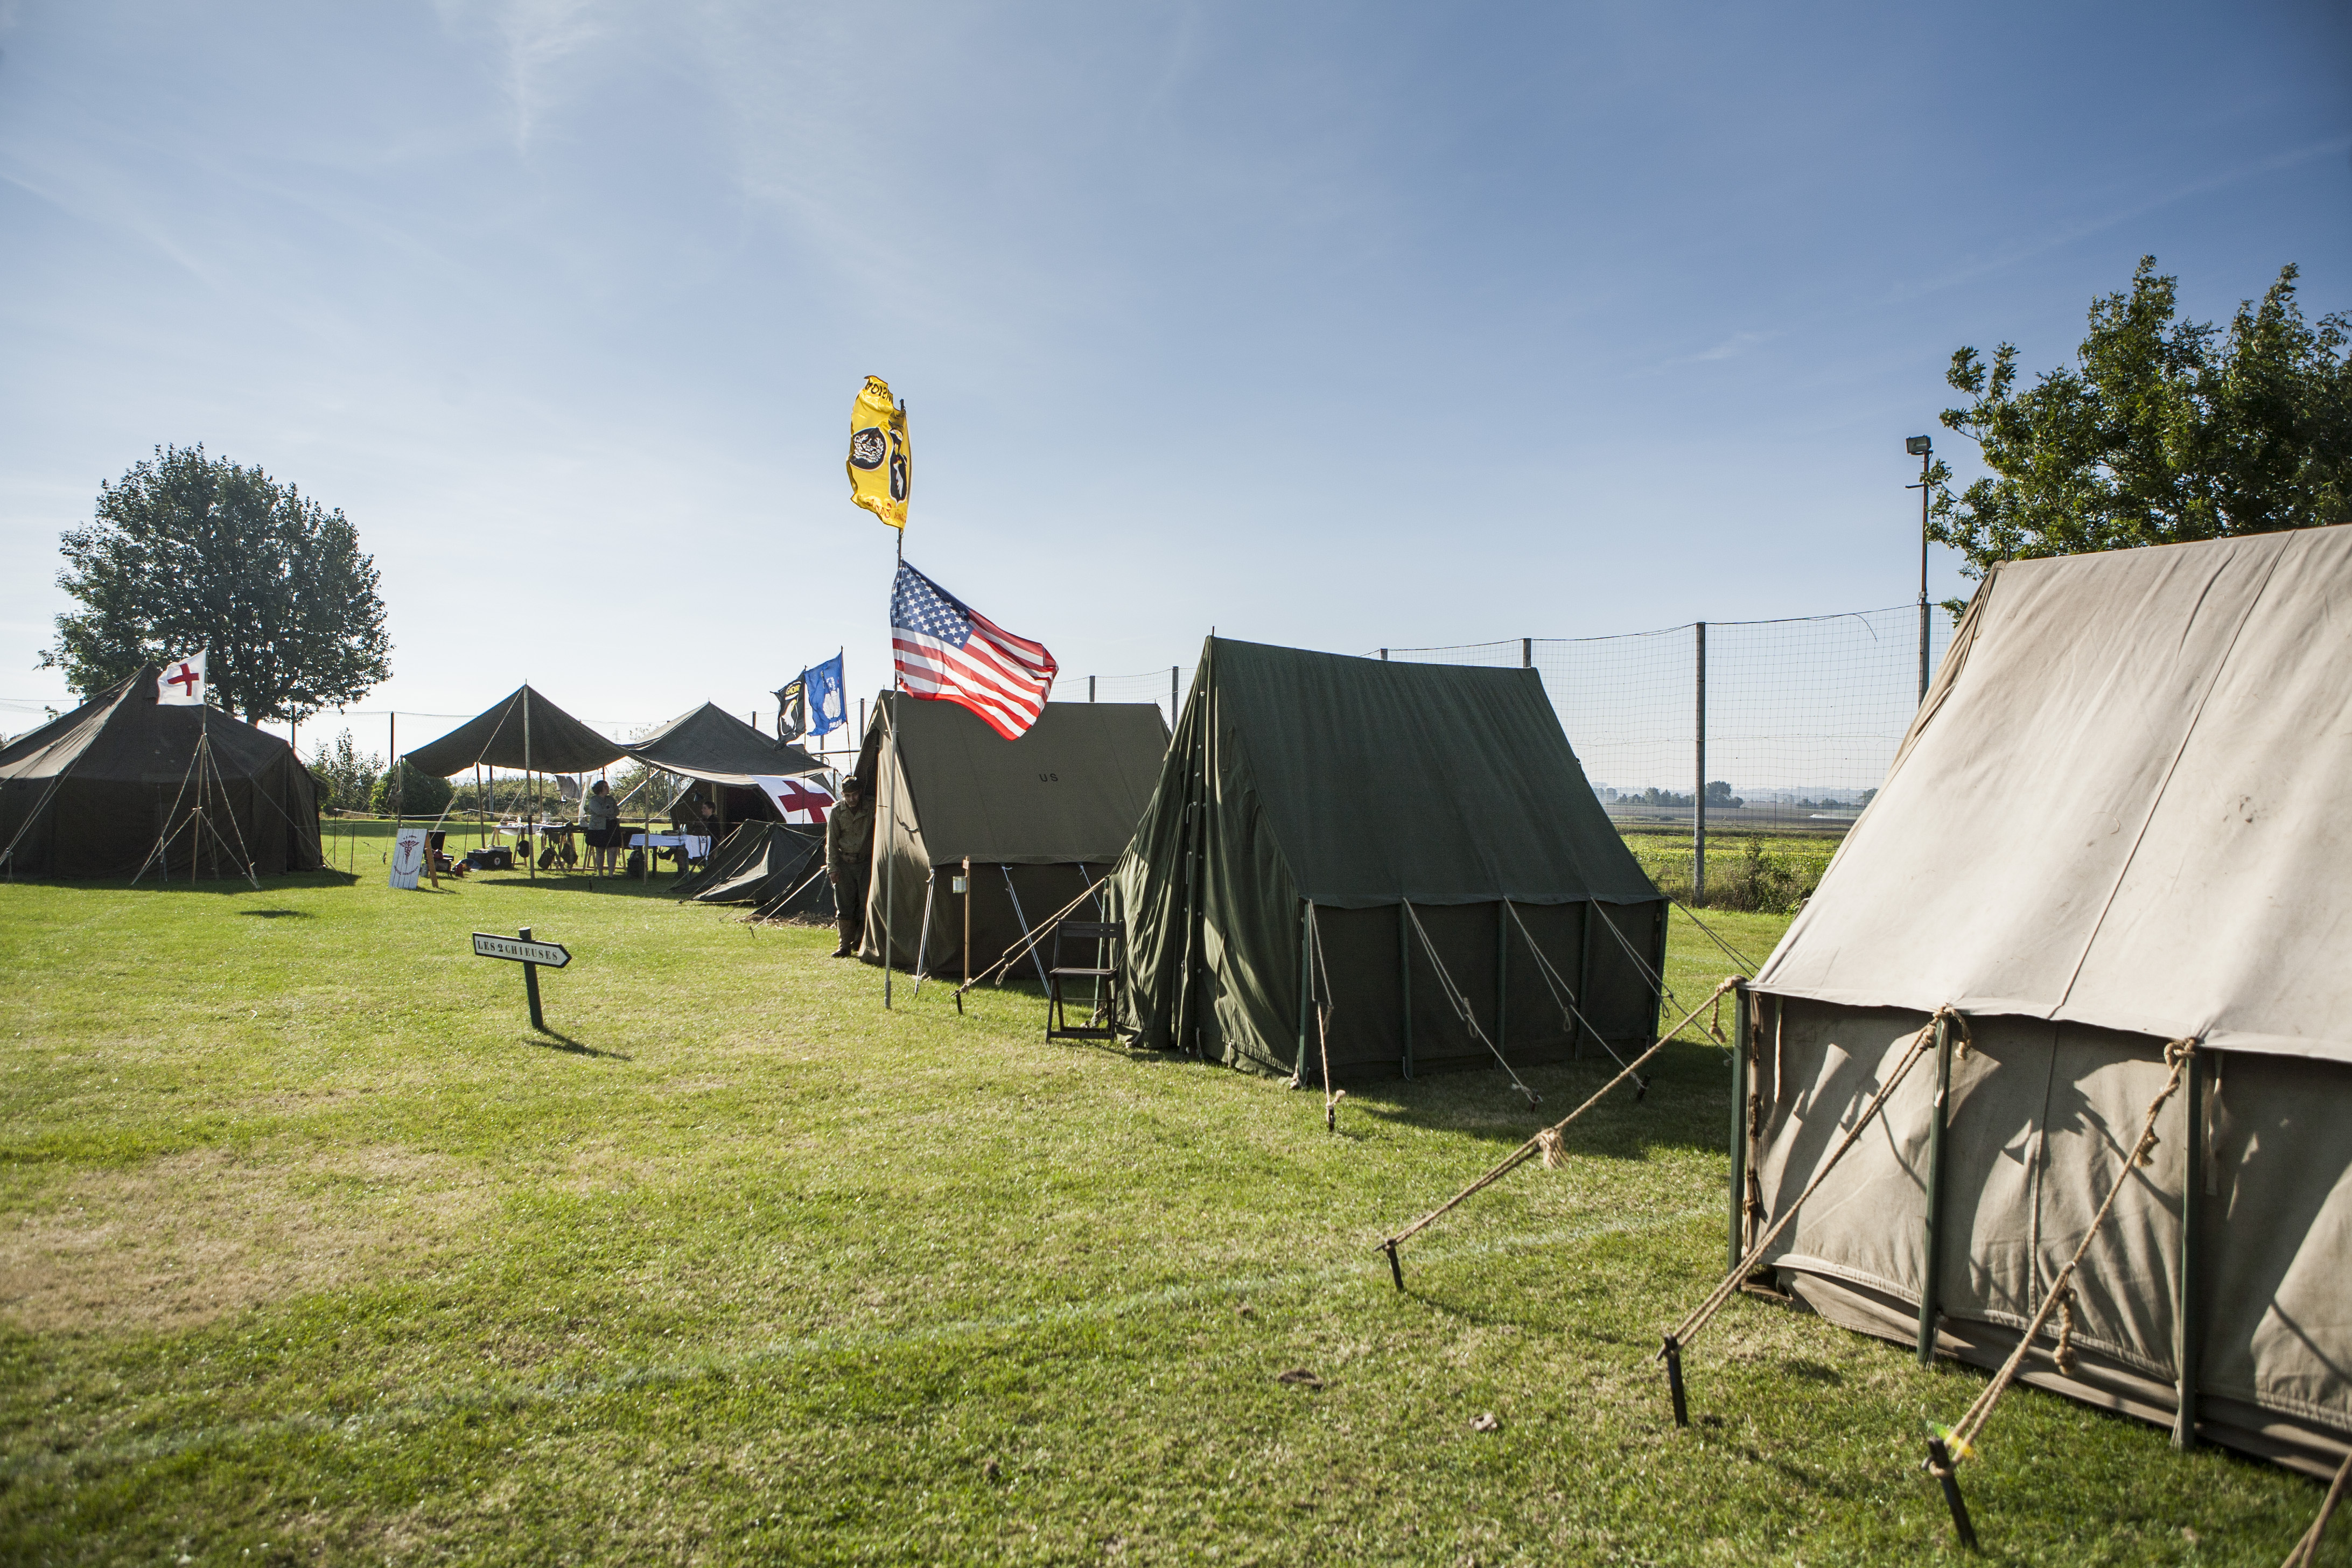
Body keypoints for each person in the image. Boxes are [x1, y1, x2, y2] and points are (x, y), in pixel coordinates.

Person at [825, 775, 876, 958]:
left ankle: (863, 944)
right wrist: (832, 868)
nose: (852, 799)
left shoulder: (871, 807)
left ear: (860, 793)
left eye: (854, 795)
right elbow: (831, 842)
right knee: (845, 906)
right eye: (847, 796)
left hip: (866, 863)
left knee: (866, 905)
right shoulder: (837, 811)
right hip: (844, 864)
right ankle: (844, 946)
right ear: (842, 795)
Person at [582, 778, 621, 872]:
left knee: (612, 850)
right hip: (598, 828)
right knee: (600, 850)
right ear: (600, 789)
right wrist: (609, 811)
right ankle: (600, 874)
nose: (608, 788)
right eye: (605, 787)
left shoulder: (610, 799)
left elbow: (617, 811)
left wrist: (609, 812)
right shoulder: (594, 800)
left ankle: (611, 874)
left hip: (611, 826)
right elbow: (599, 811)